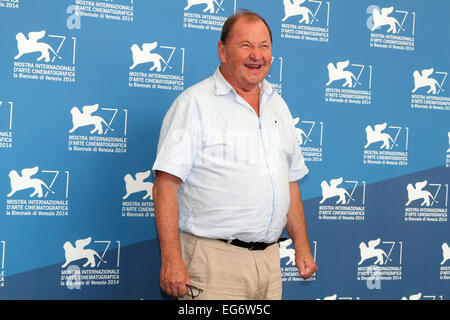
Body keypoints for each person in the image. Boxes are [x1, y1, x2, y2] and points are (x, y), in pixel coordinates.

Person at [152, 9, 317, 300]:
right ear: (222, 51)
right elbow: (165, 185)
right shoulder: (195, 104)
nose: (257, 55)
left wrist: (301, 247)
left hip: (268, 263)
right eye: (246, 45)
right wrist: (171, 259)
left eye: (264, 46)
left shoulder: (278, 105)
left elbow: (289, 181)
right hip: (212, 263)